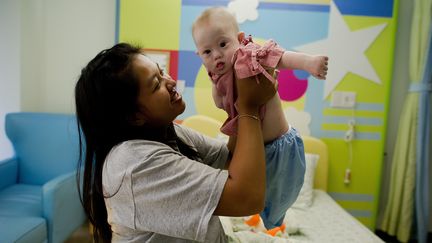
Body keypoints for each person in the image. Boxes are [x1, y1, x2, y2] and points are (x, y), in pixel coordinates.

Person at [75, 43, 277, 242]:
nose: (170, 82)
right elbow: (248, 198)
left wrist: (236, 102)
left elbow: (229, 159)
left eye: (161, 72)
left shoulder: (169, 131)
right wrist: (249, 107)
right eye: (156, 85)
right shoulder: (134, 163)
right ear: (134, 117)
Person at [192, 7, 329, 231]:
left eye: (223, 44)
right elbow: (220, 102)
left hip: (280, 146)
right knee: (254, 197)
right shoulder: (216, 74)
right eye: (207, 52)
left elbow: (278, 57)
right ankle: (262, 223)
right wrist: (217, 87)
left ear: (239, 40)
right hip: (253, 151)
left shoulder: (247, 56)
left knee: (280, 198)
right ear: (199, 55)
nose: (216, 54)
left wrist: (307, 62)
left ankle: (278, 223)